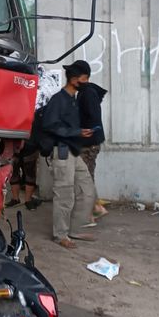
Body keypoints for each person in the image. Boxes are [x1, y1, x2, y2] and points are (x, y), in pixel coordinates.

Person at [41, 60, 97, 249]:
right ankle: (61, 235)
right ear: (74, 79)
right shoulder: (59, 99)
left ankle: (74, 229)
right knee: (65, 195)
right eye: (84, 79)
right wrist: (76, 133)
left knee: (86, 190)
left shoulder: (74, 99)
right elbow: (49, 125)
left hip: (74, 152)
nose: (86, 82)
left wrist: (83, 131)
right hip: (62, 152)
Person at [78, 77, 109, 221]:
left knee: (86, 177)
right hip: (89, 142)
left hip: (89, 143)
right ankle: (95, 208)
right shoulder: (86, 92)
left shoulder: (87, 93)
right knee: (86, 176)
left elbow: (91, 116)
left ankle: (93, 211)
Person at [6, 143, 41, 210]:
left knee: (30, 173)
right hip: (13, 143)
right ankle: (15, 199)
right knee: (13, 171)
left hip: (30, 144)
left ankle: (28, 200)